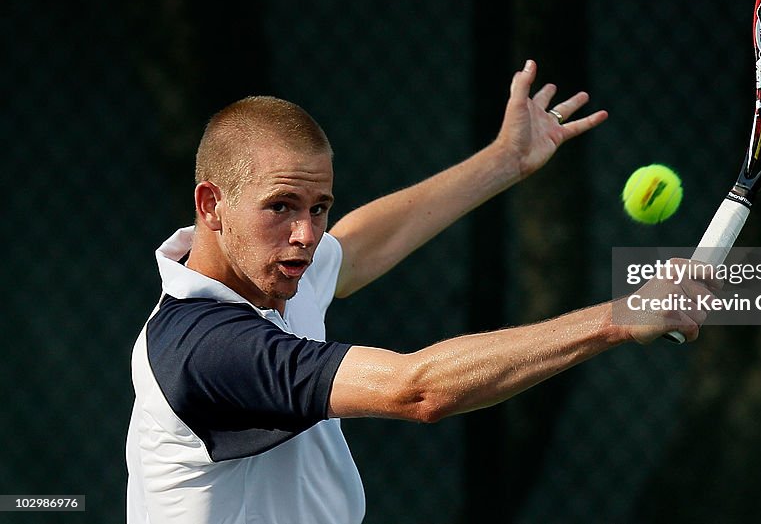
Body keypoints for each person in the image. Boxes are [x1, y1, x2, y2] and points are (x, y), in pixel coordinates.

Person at [126, 59, 718, 524]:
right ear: (212, 206)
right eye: (280, 206)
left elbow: (356, 248)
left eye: (320, 207)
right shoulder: (205, 350)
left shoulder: (269, 267)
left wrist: (502, 161)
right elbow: (419, 390)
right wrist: (618, 317)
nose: (306, 235)